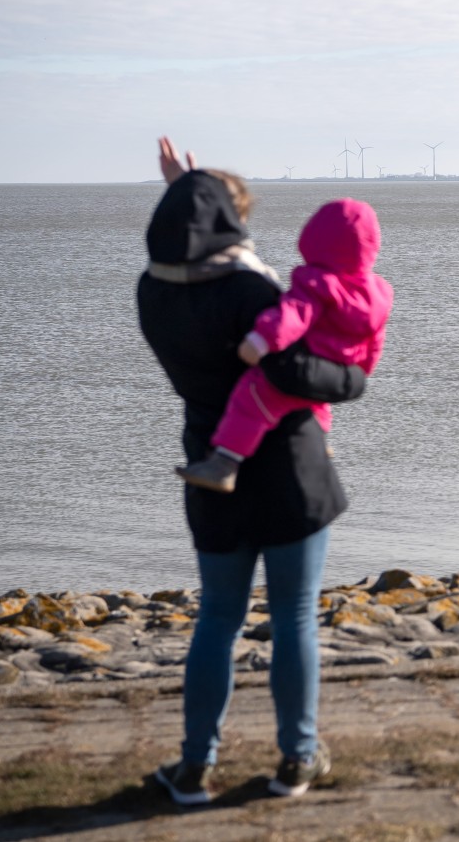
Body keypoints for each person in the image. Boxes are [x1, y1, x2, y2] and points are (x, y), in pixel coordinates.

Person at [138, 137, 365, 805]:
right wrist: (354, 377)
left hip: (213, 467)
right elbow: (298, 371)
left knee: (217, 618)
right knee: (294, 615)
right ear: (230, 223)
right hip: (290, 472)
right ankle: (296, 759)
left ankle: (193, 767)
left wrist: (187, 185)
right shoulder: (253, 290)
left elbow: (188, 239)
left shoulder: (152, 291)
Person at [175, 196, 393, 493]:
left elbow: (294, 315)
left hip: (304, 361)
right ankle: (322, 445)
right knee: (316, 402)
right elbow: (375, 338)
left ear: (314, 237)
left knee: (250, 398)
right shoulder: (379, 292)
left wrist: (261, 339)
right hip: (339, 368)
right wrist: (362, 369)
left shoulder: (318, 282)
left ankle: (225, 463)